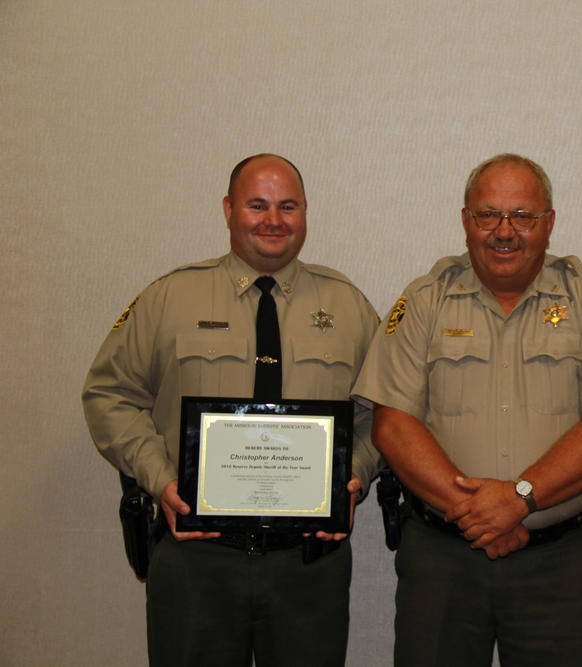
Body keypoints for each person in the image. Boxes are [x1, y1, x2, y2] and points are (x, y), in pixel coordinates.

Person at [352, 153, 582, 666]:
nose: (504, 231)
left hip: (557, 566)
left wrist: (520, 499)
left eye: (523, 216)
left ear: (550, 223)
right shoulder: (425, 301)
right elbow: (394, 426)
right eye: (488, 214)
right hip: (443, 560)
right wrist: (482, 515)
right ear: (466, 221)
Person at [82, 153, 380, 666]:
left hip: (309, 563)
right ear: (228, 209)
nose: (273, 219)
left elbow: (383, 415)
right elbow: (110, 394)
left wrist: (352, 474)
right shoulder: (170, 297)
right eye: (257, 205)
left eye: (288, 206)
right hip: (198, 556)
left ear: (305, 212)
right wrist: (160, 479)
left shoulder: (349, 305)